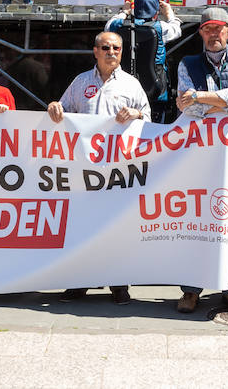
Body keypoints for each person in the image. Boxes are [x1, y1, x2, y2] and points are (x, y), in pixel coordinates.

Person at [47, 31, 150, 304]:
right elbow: (62, 110)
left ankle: (118, 284)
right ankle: (79, 282)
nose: (112, 52)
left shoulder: (131, 85)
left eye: (117, 48)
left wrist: (137, 114)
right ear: (95, 51)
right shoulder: (80, 82)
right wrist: (55, 107)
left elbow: (149, 119)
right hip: (84, 171)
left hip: (118, 169)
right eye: (106, 47)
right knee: (82, 226)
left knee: (115, 228)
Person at [174, 7, 228, 314]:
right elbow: (187, 107)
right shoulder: (187, 62)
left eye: (218, 29)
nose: (213, 34)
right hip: (198, 154)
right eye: (207, 29)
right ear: (200, 34)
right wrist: (225, 105)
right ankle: (190, 290)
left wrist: (198, 97)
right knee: (194, 219)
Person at [105, 0, 181, 113]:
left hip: (124, 89)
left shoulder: (118, 26)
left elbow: (108, 26)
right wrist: (170, 14)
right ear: (156, 14)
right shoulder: (161, 27)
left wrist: (124, 12)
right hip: (155, 90)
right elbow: (177, 30)